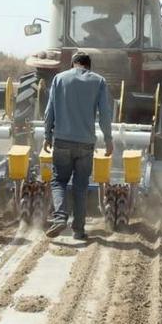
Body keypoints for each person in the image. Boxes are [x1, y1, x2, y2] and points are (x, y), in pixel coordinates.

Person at [43, 52, 113, 241]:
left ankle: (59, 217)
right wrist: (109, 139)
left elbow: (49, 111)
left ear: (73, 64)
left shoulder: (59, 79)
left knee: (59, 181)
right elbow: (105, 114)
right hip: (85, 143)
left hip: (62, 141)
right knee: (81, 185)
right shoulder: (99, 81)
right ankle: (78, 230)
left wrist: (47, 135)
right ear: (88, 66)